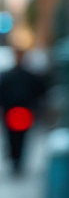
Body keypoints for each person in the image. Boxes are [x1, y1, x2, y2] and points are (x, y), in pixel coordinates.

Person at [0, 30, 48, 176]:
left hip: (14, 110)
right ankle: (17, 159)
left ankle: (15, 159)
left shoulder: (8, 75)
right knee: (21, 136)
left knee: (13, 136)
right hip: (22, 110)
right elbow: (41, 91)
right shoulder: (29, 75)